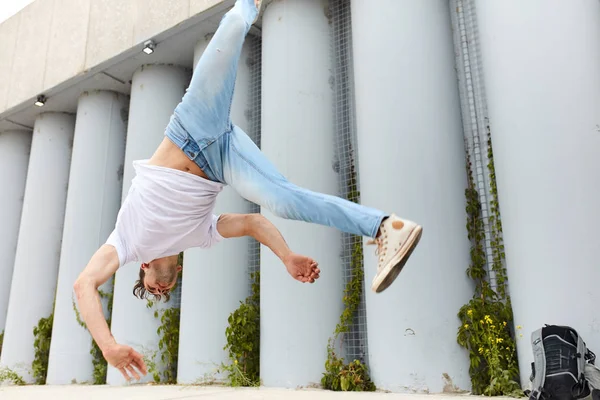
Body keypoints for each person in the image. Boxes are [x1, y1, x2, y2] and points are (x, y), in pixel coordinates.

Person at [73, 0, 423, 382]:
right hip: (223, 158)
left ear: (143, 268)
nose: (160, 290)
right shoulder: (199, 235)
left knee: (236, 24)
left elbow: (84, 284)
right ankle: (385, 228)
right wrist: (286, 256)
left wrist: (108, 345)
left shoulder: (126, 242)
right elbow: (255, 222)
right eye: (163, 293)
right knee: (283, 200)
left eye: (151, 288)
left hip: (191, 124)